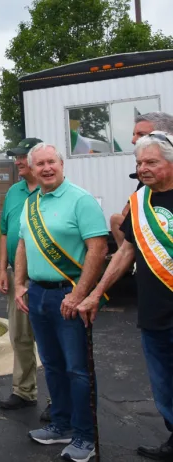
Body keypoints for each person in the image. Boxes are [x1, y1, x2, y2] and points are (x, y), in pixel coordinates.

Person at [77, 132, 173, 461]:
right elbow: (125, 251)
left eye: (151, 162)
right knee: (164, 383)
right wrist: (96, 294)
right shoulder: (139, 202)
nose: (143, 168)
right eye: (139, 163)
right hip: (154, 311)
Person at [14, 143, 108, 462]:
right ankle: (62, 425)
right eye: (39, 164)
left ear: (61, 163)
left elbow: (98, 249)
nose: (46, 168)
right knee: (52, 366)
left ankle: (84, 437)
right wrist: (18, 283)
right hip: (38, 294)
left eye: (51, 162)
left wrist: (79, 294)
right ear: (32, 168)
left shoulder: (80, 199)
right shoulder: (31, 203)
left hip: (69, 295)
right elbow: (24, 244)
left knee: (77, 370)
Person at [0, 138, 52, 419]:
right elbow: (6, 232)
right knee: (20, 336)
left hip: (47, 277)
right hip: (17, 277)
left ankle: (57, 399)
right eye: (15, 157)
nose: (17, 162)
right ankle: (23, 391)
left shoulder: (53, 191)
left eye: (21, 157)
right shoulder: (13, 193)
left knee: (50, 341)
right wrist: (3, 270)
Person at [111, 112, 173, 248]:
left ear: (165, 137)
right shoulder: (147, 180)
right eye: (140, 164)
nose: (133, 140)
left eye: (141, 135)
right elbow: (128, 212)